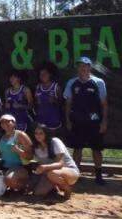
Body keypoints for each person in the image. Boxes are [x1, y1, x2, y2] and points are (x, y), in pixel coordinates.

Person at [64, 56, 108, 185]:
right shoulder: (72, 82)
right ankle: (75, 175)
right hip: (77, 121)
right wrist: (67, 120)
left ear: (90, 67)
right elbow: (68, 103)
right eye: (80, 65)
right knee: (77, 149)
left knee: (96, 149)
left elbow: (104, 104)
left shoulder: (98, 82)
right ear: (77, 67)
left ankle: (98, 176)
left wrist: (104, 121)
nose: (82, 68)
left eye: (85, 65)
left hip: (94, 122)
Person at [30, 124, 80, 198]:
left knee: (52, 174)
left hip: (69, 171)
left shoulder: (55, 141)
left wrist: (44, 167)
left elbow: (60, 164)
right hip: (50, 173)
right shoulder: (36, 147)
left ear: (46, 134)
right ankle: (54, 188)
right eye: (36, 133)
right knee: (38, 192)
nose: (38, 135)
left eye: (41, 133)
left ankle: (67, 189)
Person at [0, 114, 34, 192]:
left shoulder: (20, 135)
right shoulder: (3, 137)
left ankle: (25, 186)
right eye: (2, 122)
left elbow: (30, 156)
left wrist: (18, 151)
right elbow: (3, 154)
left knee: (8, 179)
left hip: (20, 167)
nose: (4, 123)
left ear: (14, 123)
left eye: (7, 121)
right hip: (5, 167)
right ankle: (10, 185)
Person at [34, 62, 63, 133]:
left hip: (53, 122)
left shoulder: (56, 87)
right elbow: (35, 104)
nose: (43, 76)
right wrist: (37, 102)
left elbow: (62, 104)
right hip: (41, 121)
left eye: (45, 74)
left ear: (50, 74)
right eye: (41, 74)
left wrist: (54, 101)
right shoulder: (38, 87)